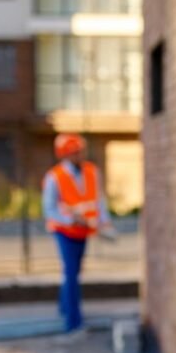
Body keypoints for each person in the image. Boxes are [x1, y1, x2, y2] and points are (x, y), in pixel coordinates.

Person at [42, 134, 113, 333]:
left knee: (73, 272)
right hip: (64, 231)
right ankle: (73, 321)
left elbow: (99, 200)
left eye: (80, 151)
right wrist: (71, 219)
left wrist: (105, 223)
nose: (79, 155)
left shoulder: (91, 171)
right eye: (74, 152)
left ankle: (65, 308)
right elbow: (49, 209)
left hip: (83, 231)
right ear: (64, 154)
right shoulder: (55, 177)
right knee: (71, 273)